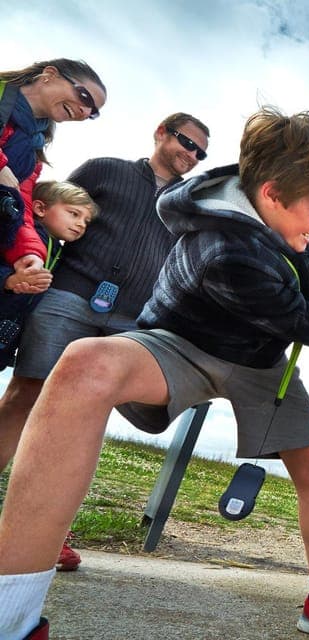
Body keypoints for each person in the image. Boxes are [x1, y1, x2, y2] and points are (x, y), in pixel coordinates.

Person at [0, 107, 309, 640]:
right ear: (273, 193)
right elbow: (303, 322)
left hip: (259, 360)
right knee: (84, 365)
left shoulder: (306, 224)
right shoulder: (222, 246)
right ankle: (12, 616)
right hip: (183, 343)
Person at [0, 111, 209, 571]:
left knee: (81, 418)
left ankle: (48, 532)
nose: (191, 155)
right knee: (26, 393)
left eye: (200, 152)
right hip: (69, 295)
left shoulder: (190, 204)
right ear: (160, 132)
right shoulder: (105, 169)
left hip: (134, 318)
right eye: (186, 142)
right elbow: (47, 206)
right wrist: (28, 258)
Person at [0, 59, 106, 294]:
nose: (85, 111)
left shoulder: (34, 152)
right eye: (85, 97)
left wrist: (29, 254)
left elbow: (20, 208)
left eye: (92, 113)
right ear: (49, 74)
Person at [0, 180, 97, 370]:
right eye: (74, 214)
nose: (81, 224)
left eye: (86, 221)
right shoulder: (17, 235)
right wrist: (8, 280)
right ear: (40, 208)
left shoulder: (58, 250)